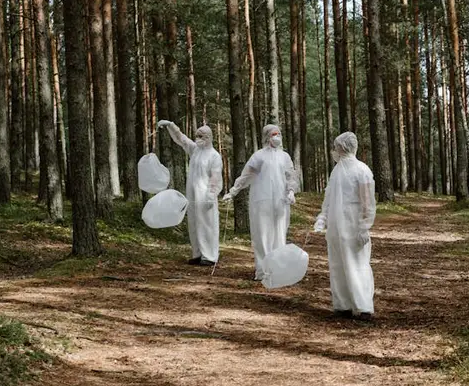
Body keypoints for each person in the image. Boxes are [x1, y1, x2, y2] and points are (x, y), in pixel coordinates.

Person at [313, 132, 376, 321]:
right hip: (336, 224)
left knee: (357, 263)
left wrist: (364, 226)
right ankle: (342, 305)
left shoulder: (361, 169)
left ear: (344, 147)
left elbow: (367, 200)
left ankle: (363, 306)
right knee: (338, 263)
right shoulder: (337, 170)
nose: (335, 150)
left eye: (337, 146)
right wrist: (322, 218)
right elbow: (329, 196)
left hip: (353, 222)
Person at [223, 125, 298, 280]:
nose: (277, 137)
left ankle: (278, 269)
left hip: (280, 201)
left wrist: (291, 191)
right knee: (262, 234)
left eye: (279, 134)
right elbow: (246, 175)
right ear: (266, 137)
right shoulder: (259, 156)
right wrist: (233, 191)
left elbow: (291, 175)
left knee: (279, 233)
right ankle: (263, 270)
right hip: (261, 201)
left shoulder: (285, 157)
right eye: (273, 134)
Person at [157, 120, 223, 267]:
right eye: (197, 136)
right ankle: (197, 253)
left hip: (206, 196)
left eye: (202, 136)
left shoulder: (214, 156)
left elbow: (216, 176)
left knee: (207, 224)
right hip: (192, 194)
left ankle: (210, 255)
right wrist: (171, 126)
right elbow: (182, 139)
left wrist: (211, 195)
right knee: (194, 223)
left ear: (209, 137)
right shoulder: (195, 150)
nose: (198, 138)